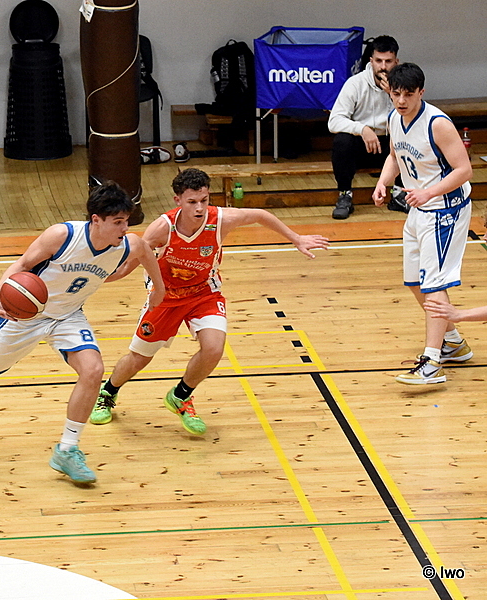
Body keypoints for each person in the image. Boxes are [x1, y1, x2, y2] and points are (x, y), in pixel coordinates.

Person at [0, 182, 166, 484]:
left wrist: (159, 289)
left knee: (93, 370)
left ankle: (67, 449)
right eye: (118, 222)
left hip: (68, 315)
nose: (125, 228)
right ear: (96, 220)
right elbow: (22, 264)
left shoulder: (128, 244)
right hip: (28, 314)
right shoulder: (62, 235)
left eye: (126, 221)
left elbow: (145, 252)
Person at [89, 168, 329, 433]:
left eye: (204, 200)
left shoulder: (221, 219)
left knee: (214, 348)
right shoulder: (162, 228)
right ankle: (108, 392)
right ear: (178, 200)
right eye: (192, 202)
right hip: (167, 296)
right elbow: (133, 260)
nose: (200, 208)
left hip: (204, 293)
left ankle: (180, 396)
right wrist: (98, 277)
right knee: (139, 358)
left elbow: (261, 215)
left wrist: (296, 238)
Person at [373, 62, 474, 385]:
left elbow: (464, 170)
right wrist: (383, 182)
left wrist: (428, 192)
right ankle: (453, 341)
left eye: (408, 94)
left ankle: (432, 362)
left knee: (434, 284)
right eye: (396, 94)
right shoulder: (394, 118)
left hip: (446, 210)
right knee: (414, 281)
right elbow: (394, 156)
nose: (401, 101)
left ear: (421, 92)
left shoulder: (437, 124)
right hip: (419, 208)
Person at [328, 35, 405, 220]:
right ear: (371, 61)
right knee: (342, 141)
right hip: (362, 146)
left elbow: (414, 119)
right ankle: (345, 194)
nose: (383, 67)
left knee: (409, 138)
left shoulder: (404, 85)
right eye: (379, 61)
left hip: (390, 147)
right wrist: (362, 129)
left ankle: (399, 194)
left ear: (396, 62)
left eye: (388, 61)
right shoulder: (355, 83)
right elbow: (334, 121)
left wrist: (393, 95)